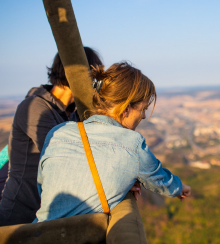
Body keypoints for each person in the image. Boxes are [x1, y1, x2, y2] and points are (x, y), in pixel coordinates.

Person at [35, 62, 191, 222]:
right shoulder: (132, 144)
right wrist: (181, 188)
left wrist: (115, 181)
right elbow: (160, 181)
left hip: (36, 232)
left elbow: (43, 187)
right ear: (126, 108)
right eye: (143, 109)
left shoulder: (58, 132)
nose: (143, 116)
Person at [0, 47, 103, 226]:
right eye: (93, 77)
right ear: (79, 74)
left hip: (46, 216)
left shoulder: (72, 112)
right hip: (19, 216)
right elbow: (66, 159)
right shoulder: (34, 107)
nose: (95, 84)